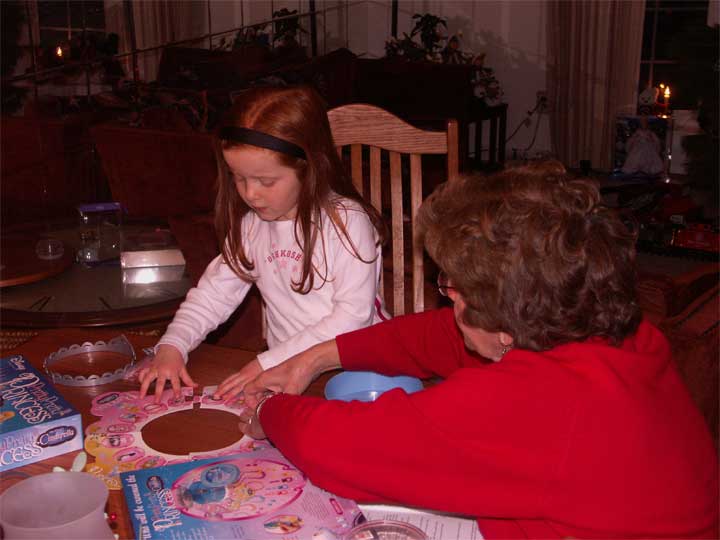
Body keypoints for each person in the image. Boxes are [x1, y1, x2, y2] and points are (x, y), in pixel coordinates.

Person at [238, 162, 719, 539]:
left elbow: (346, 447)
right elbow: (439, 337)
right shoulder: (605, 327)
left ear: (505, 322)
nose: (447, 298)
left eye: (453, 289)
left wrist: (269, 410)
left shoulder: (540, 401)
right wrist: (317, 357)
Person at [138, 85, 387, 402]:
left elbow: (351, 320)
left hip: (356, 368)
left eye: (266, 181)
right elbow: (213, 296)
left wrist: (266, 362)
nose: (250, 194)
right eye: (239, 178)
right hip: (283, 370)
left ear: (309, 168)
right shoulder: (251, 226)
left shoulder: (348, 222)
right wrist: (173, 344)